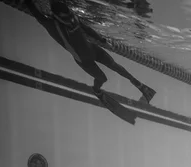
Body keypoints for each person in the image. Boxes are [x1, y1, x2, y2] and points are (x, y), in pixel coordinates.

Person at [23, 0, 156, 123]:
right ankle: (96, 90)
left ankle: (139, 84)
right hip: (84, 60)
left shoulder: (72, 18)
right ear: (57, 16)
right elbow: (34, 10)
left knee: (115, 66)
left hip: (93, 49)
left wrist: (102, 40)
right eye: (66, 17)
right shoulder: (50, 24)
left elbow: (87, 29)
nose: (70, 20)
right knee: (102, 78)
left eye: (69, 15)